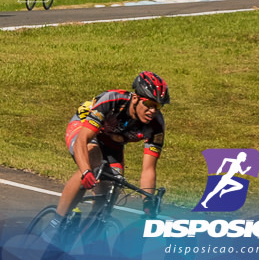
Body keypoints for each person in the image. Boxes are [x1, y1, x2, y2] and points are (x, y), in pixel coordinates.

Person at [41, 72, 169, 243]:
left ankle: (89, 232)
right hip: (84, 129)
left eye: (158, 107)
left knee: (113, 185)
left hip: (112, 142)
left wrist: (148, 202)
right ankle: (56, 221)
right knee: (92, 160)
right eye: (149, 104)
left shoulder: (156, 125)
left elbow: (148, 169)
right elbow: (82, 141)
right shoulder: (113, 100)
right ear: (136, 98)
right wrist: (86, 172)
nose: (153, 111)